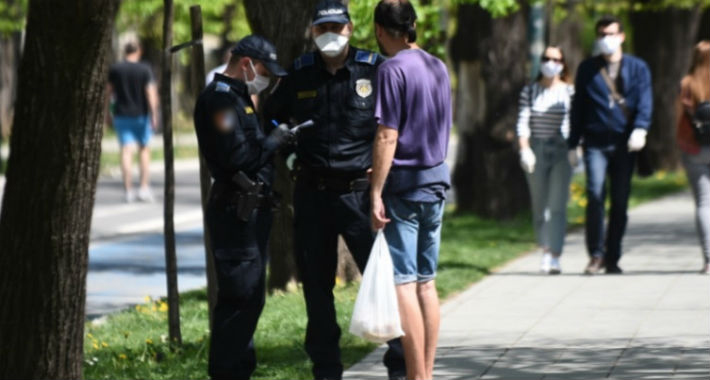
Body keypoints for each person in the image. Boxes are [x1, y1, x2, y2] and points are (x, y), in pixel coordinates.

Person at [264, 2, 405, 379]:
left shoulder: (374, 69)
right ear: (312, 31)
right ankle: (326, 368)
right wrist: (290, 157)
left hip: (361, 194)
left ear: (350, 29)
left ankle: (400, 362)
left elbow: (396, 124)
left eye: (337, 27)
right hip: (313, 193)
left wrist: (385, 170)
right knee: (316, 286)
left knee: (383, 281)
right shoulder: (300, 73)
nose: (330, 34)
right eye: (323, 27)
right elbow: (272, 119)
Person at [193, 35, 293, 380]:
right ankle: (227, 373)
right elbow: (238, 156)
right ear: (246, 63)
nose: (266, 78)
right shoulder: (220, 102)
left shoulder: (240, 99)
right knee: (239, 300)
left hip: (251, 213)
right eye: (264, 70)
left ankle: (240, 371)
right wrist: (273, 142)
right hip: (235, 213)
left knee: (251, 299)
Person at [369, 1, 451, 379]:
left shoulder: (391, 69)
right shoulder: (438, 66)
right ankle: (428, 373)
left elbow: (387, 136)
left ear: (382, 31)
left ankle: (416, 376)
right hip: (435, 182)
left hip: (403, 187)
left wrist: (375, 191)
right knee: (427, 283)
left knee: (403, 282)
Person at [567, 15, 653, 275]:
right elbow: (578, 107)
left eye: (612, 33)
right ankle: (596, 254)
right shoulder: (587, 69)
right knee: (594, 194)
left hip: (625, 144)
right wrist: (573, 143)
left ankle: (612, 255)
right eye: (603, 34)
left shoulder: (638, 68)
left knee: (620, 201)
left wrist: (641, 128)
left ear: (622, 36)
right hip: (594, 143)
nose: (607, 38)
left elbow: (645, 100)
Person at [516, 46, 575, 274]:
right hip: (537, 150)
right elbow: (523, 122)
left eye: (556, 59)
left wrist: (574, 148)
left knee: (557, 206)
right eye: (546, 58)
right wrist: (524, 149)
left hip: (561, 149)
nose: (550, 62)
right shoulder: (529, 91)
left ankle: (555, 254)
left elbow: (573, 121)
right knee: (540, 205)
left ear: (563, 63)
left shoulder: (569, 92)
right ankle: (544, 248)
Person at [106, 40, 160, 203]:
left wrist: (107, 113)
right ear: (139, 51)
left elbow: (108, 92)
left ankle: (128, 190)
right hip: (141, 116)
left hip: (122, 115)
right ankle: (143, 188)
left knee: (126, 151)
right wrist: (154, 114)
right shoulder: (145, 69)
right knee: (144, 150)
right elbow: (150, 92)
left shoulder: (115, 69)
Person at [676, 40, 710, 274]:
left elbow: (680, 118)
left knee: (704, 203)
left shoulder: (687, 84)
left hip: (694, 148)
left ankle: (709, 260)